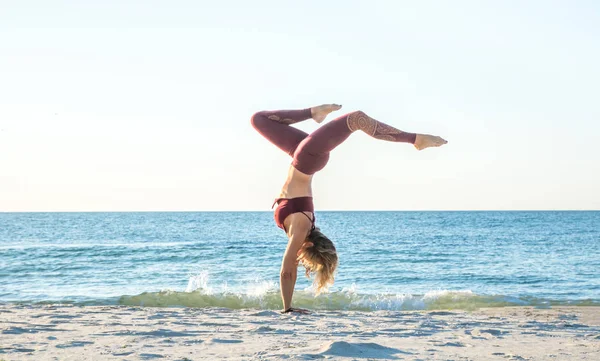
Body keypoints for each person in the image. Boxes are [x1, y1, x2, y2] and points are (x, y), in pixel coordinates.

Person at [251, 104, 447, 314]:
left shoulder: (299, 230)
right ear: (309, 245)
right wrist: (287, 307)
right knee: (356, 119)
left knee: (259, 120)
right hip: (307, 158)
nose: (299, 257)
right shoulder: (301, 229)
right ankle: (416, 140)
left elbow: (290, 269)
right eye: (304, 257)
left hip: (304, 158)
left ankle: (313, 114)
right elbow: (287, 271)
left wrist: (288, 307)